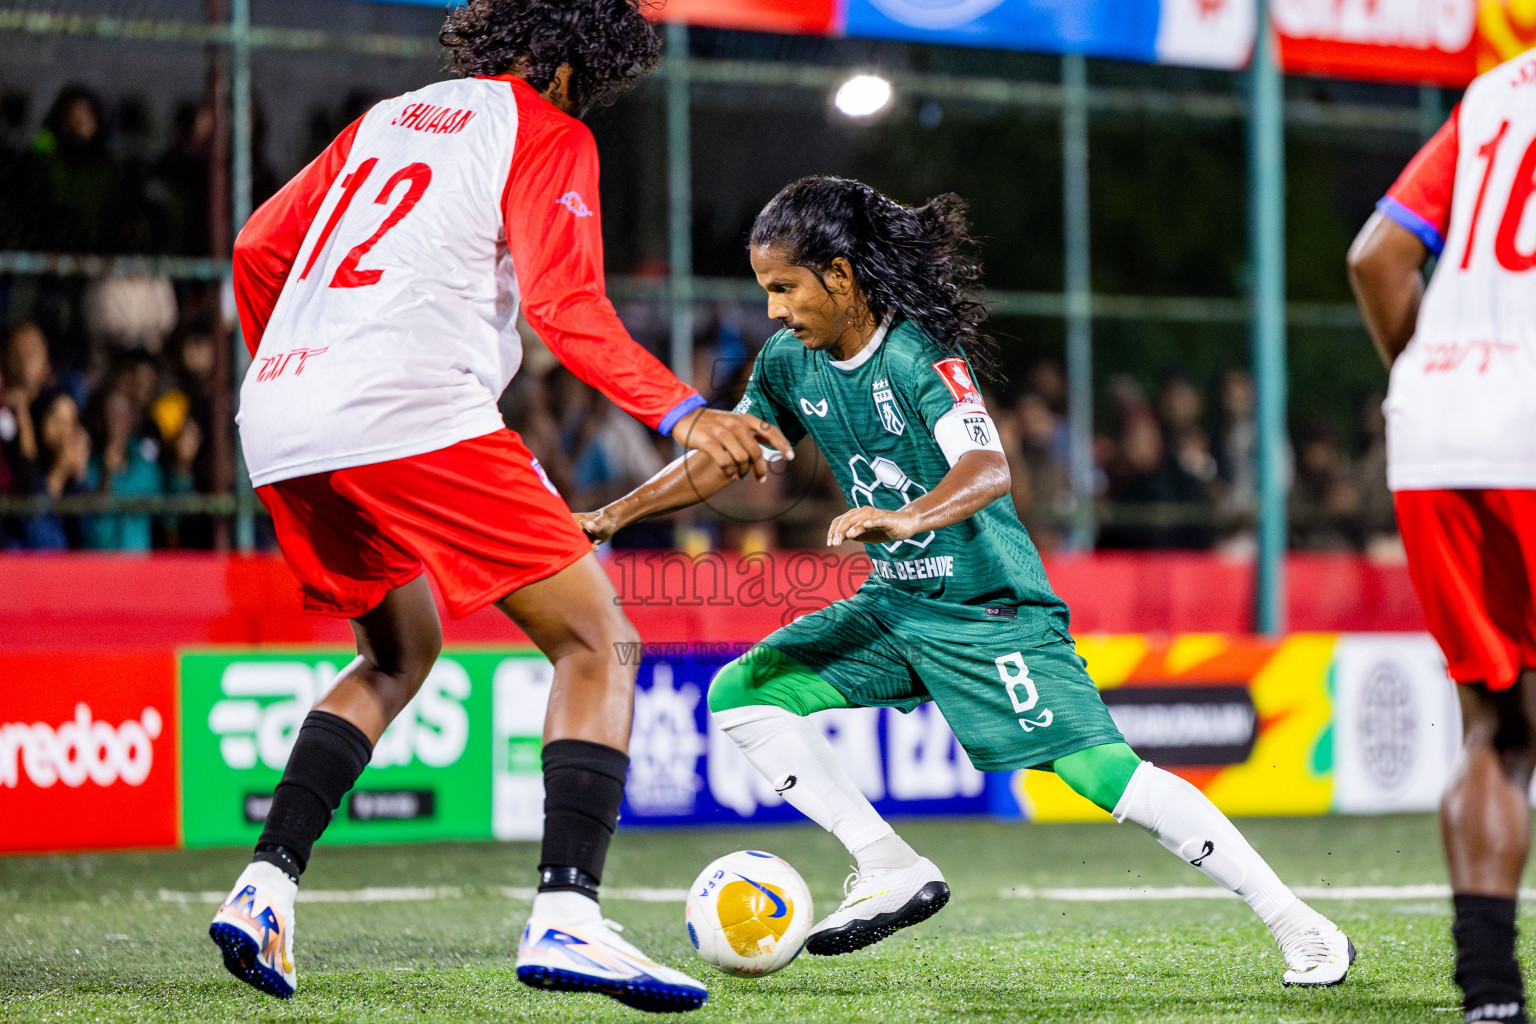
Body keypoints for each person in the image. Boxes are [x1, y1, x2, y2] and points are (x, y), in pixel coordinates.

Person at [578, 175, 1355, 988]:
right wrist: (613, 515)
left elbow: (988, 466)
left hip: (989, 611)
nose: (772, 310)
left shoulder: (919, 356)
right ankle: (888, 864)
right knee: (744, 694)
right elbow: (727, 456)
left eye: (784, 288)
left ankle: (1300, 925)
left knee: (1102, 774)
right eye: (765, 290)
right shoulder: (786, 364)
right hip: (897, 607)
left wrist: (908, 518)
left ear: (840, 276)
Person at [208, 0, 789, 1013]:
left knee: (397, 654)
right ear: (573, 61)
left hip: (281, 412)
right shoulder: (545, 128)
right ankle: (568, 913)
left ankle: (264, 888)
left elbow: (258, 248)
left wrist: (295, 375)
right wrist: (686, 412)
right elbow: (565, 305)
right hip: (409, 407)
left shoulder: (389, 117)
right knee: (598, 641)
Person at [1347, 51, 1536, 1024]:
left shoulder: (1501, 90)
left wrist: (1431, 385)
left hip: (1444, 431)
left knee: (1498, 730)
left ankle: (1491, 995)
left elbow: (1376, 256)